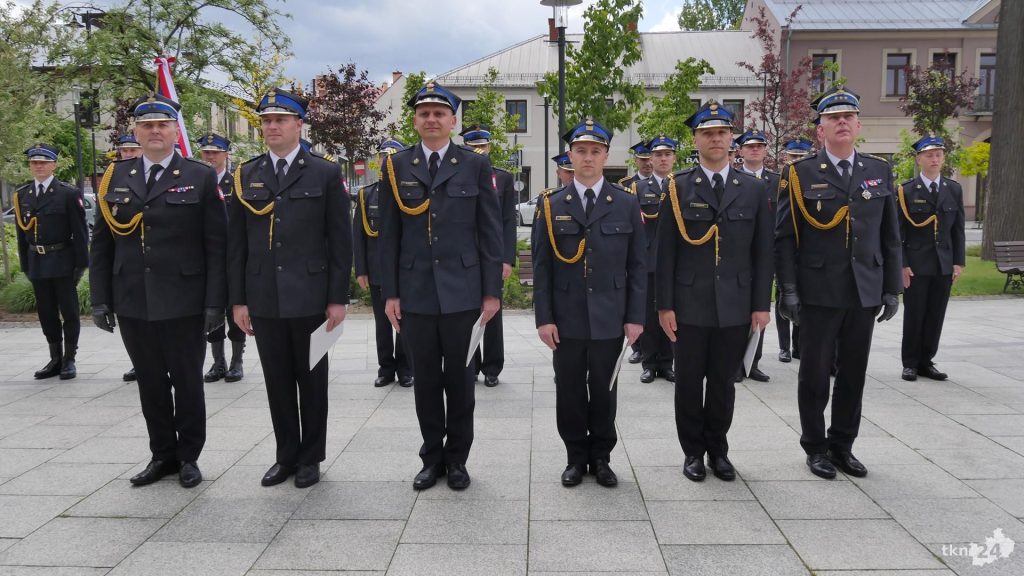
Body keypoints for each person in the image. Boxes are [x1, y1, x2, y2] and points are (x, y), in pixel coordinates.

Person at [90, 93, 227, 488]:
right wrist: (100, 298)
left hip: (184, 299)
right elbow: (102, 244)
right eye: (146, 125)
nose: (154, 131)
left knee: (187, 382)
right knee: (150, 383)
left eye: (162, 125)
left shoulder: (199, 176)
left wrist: (215, 301)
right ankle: (162, 455)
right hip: (133, 298)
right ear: (135, 131)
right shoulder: (115, 177)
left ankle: (188, 457)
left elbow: (216, 245)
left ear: (174, 131)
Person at [378, 81, 503, 491]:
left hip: (463, 292)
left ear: (453, 121)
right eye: (424, 113)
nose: (431, 119)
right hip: (416, 293)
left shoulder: (475, 165)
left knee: (462, 382)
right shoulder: (396, 166)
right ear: (415, 121)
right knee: (427, 381)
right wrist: (390, 293)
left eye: (439, 114)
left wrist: (491, 292)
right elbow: (389, 235)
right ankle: (431, 458)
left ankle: (458, 460)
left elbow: (489, 231)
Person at [775, 86, 902, 480]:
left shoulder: (878, 170)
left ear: (858, 125)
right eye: (833, 118)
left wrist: (892, 287)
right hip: (818, 291)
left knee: (853, 373)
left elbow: (890, 235)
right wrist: (788, 289)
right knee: (814, 375)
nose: (842, 122)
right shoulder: (799, 174)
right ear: (821, 129)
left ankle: (843, 444)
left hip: (864, 290)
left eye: (848, 117)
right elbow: (785, 238)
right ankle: (815, 447)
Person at [228, 87, 352, 489]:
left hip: (311, 295)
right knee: (277, 382)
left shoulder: (324, 173)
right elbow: (237, 243)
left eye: (280, 120)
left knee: (312, 380)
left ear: (299, 124)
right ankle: (286, 456)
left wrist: (337, 299)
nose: (272, 127)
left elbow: (340, 241)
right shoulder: (246, 174)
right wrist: (238, 300)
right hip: (264, 296)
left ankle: (310, 458)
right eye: (266, 121)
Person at [656, 102, 773, 482]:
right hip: (689, 304)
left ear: (731, 139)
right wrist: (664, 306)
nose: (716, 139)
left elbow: (763, 253)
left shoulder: (753, 189)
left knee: (724, 383)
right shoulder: (678, 187)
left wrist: (761, 305)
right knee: (689, 383)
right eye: (707, 133)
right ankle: (693, 452)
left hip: (735, 304)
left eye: (722, 132)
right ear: (696, 140)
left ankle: (718, 451)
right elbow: (665, 252)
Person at [533, 118, 645, 488]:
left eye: (595, 151)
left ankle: (601, 457)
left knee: (604, 390)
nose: (588, 157)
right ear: (570, 155)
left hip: (610, 316)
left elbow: (637, 266)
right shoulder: (551, 205)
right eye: (580, 150)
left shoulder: (626, 203)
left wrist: (635, 317)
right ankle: (574, 457)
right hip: (566, 318)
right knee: (568, 390)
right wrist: (544, 318)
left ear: (605, 156)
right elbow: (542, 267)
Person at [14, 144, 89, 380]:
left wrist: (81, 264)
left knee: (69, 312)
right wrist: (25, 264)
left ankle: (69, 359)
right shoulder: (22, 195)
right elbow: (21, 234)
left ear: (54, 165)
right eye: (34, 163)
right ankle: (55, 358)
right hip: (37, 261)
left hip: (62, 260)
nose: (39, 166)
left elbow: (80, 232)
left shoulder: (67, 193)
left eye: (44, 162)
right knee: (46, 313)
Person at [898, 134, 965, 381]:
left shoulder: (953, 189)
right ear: (919, 159)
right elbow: (898, 232)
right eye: (929, 155)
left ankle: (926, 361)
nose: (935, 159)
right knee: (914, 314)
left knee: (936, 315)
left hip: (943, 264)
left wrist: (958, 261)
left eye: (938, 155)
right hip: (916, 265)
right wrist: (903, 264)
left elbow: (958, 229)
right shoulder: (906, 190)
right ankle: (910, 363)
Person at [354, 138, 413, 388]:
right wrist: (361, 270)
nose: (385, 160)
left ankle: (406, 369)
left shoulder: (410, 191)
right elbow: (358, 235)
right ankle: (386, 368)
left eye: (391, 156)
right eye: (382, 156)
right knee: (382, 323)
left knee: (406, 322)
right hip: (379, 269)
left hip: (406, 269)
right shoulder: (366, 195)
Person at [462, 124, 517, 387]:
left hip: (492, 256)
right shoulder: (457, 176)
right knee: (466, 313)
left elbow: (508, 221)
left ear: (490, 147)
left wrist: (507, 259)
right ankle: (471, 364)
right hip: (465, 256)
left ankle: (493, 367)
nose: (479, 152)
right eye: (473, 148)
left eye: (482, 147)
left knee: (493, 313)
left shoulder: (502, 178)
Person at [196, 132, 246, 383]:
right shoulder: (194, 182)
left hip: (232, 257)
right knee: (211, 309)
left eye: (215, 152)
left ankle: (237, 362)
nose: (210, 157)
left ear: (226, 155)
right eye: (206, 152)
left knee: (234, 309)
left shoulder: (237, 183)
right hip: (205, 259)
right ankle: (218, 362)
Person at [731, 129, 776, 383]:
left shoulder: (779, 181)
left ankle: (754, 362)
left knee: (760, 307)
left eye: (759, 146)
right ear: (741, 151)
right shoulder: (734, 179)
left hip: (767, 252)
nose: (755, 150)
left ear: (766, 150)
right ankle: (736, 362)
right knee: (738, 312)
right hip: (740, 255)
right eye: (749, 146)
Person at [632, 135, 676, 384]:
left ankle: (667, 363)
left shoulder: (681, 185)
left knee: (670, 312)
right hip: (648, 260)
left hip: (674, 261)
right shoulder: (639, 188)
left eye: (667, 154)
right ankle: (649, 363)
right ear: (651, 158)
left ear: (674, 158)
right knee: (649, 315)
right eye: (658, 155)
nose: (662, 159)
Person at [775, 138, 813, 363]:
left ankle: (798, 345)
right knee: (783, 295)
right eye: (793, 156)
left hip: (806, 252)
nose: (797, 160)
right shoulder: (780, 180)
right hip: (784, 247)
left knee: (804, 300)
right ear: (786, 157)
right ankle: (784, 347)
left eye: (801, 156)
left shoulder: (813, 179)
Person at [619, 141, 652, 365]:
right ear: (636, 161)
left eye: (650, 159)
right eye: (643, 159)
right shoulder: (626, 185)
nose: (647, 163)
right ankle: (638, 347)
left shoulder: (667, 184)